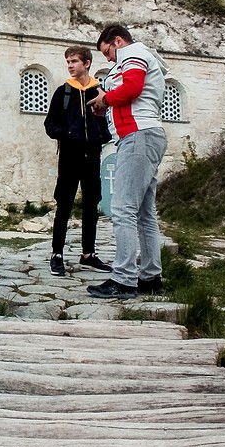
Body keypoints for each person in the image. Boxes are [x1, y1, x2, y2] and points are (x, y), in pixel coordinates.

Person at [86, 24, 167, 299]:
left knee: (122, 208)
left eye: (107, 51)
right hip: (144, 135)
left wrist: (104, 99)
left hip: (138, 135)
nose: (108, 58)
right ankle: (150, 276)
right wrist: (106, 103)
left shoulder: (132, 53)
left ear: (118, 41)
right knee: (144, 213)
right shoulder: (139, 55)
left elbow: (132, 88)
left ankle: (124, 278)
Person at [43, 45, 112, 276]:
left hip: (92, 155)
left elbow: (107, 122)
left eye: (74, 61)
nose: (70, 66)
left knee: (91, 205)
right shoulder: (63, 92)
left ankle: (88, 254)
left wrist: (100, 136)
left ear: (87, 63)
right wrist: (69, 135)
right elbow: (50, 125)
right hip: (69, 157)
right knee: (64, 204)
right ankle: (57, 254)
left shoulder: (99, 92)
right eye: (68, 62)